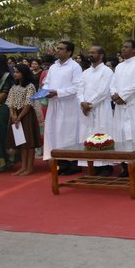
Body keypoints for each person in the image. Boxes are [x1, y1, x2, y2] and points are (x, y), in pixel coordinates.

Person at [110, 40, 135, 178]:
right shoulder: (119, 66)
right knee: (120, 134)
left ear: (134, 50)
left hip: (133, 105)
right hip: (120, 106)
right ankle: (125, 167)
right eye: (123, 47)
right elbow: (113, 84)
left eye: (126, 47)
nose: (123, 49)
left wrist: (122, 96)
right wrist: (115, 95)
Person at [42, 41, 82, 175]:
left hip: (68, 105)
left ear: (69, 52)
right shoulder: (53, 67)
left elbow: (77, 87)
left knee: (68, 134)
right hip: (54, 104)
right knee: (54, 132)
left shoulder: (75, 67)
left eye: (61, 49)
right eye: (57, 48)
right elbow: (46, 82)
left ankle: (72, 164)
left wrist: (58, 92)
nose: (58, 51)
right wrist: (46, 90)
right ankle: (60, 163)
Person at [77, 46, 114, 176]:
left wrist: (89, 104)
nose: (90, 54)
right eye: (89, 52)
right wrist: (82, 102)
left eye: (93, 52)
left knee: (102, 135)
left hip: (101, 108)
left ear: (101, 55)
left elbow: (103, 92)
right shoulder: (85, 72)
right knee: (88, 135)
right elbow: (79, 89)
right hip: (86, 109)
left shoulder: (107, 71)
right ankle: (92, 166)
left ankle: (105, 166)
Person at [7, 64, 41, 175]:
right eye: (14, 72)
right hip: (16, 115)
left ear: (24, 73)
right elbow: (10, 102)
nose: (15, 74)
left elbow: (28, 103)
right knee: (21, 142)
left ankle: (29, 167)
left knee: (29, 143)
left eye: (18, 72)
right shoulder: (14, 86)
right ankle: (23, 167)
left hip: (26, 116)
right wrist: (12, 114)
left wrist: (19, 117)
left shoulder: (30, 86)